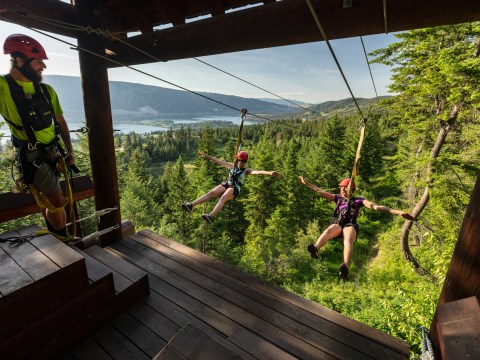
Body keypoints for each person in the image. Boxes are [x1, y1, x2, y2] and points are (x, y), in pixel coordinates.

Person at [1, 34, 76, 238]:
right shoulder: (4, 88)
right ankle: (63, 241)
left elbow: (60, 121)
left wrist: (69, 149)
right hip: (33, 156)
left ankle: (54, 237)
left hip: (53, 152)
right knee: (57, 201)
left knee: (48, 199)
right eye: (38, 62)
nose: (43, 67)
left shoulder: (46, 90)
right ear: (19, 60)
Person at [299, 176, 414, 280]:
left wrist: (398, 212)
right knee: (328, 230)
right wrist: (307, 183)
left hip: (350, 224)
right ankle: (316, 248)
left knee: (348, 239)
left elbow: (376, 207)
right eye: (341, 188)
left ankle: (345, 267)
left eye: (345, 188)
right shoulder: (338, 199)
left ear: (351, 189)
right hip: (339, 223)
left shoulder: (359, 200)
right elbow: (320, 191)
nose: (342, 190)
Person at [182, 150, 280, 223]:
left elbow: (257, 172)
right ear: (237, 159)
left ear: (245, 162)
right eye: (240, 160)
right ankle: (191, 205)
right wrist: (205, 155)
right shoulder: (231, 166)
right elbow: (218, 161)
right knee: (212, 193)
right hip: (227, 183)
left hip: (235, 188)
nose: (241, 163)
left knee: (223, 197)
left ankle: (211, 216)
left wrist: (269, 173)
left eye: (243, 161)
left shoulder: (246, 170)